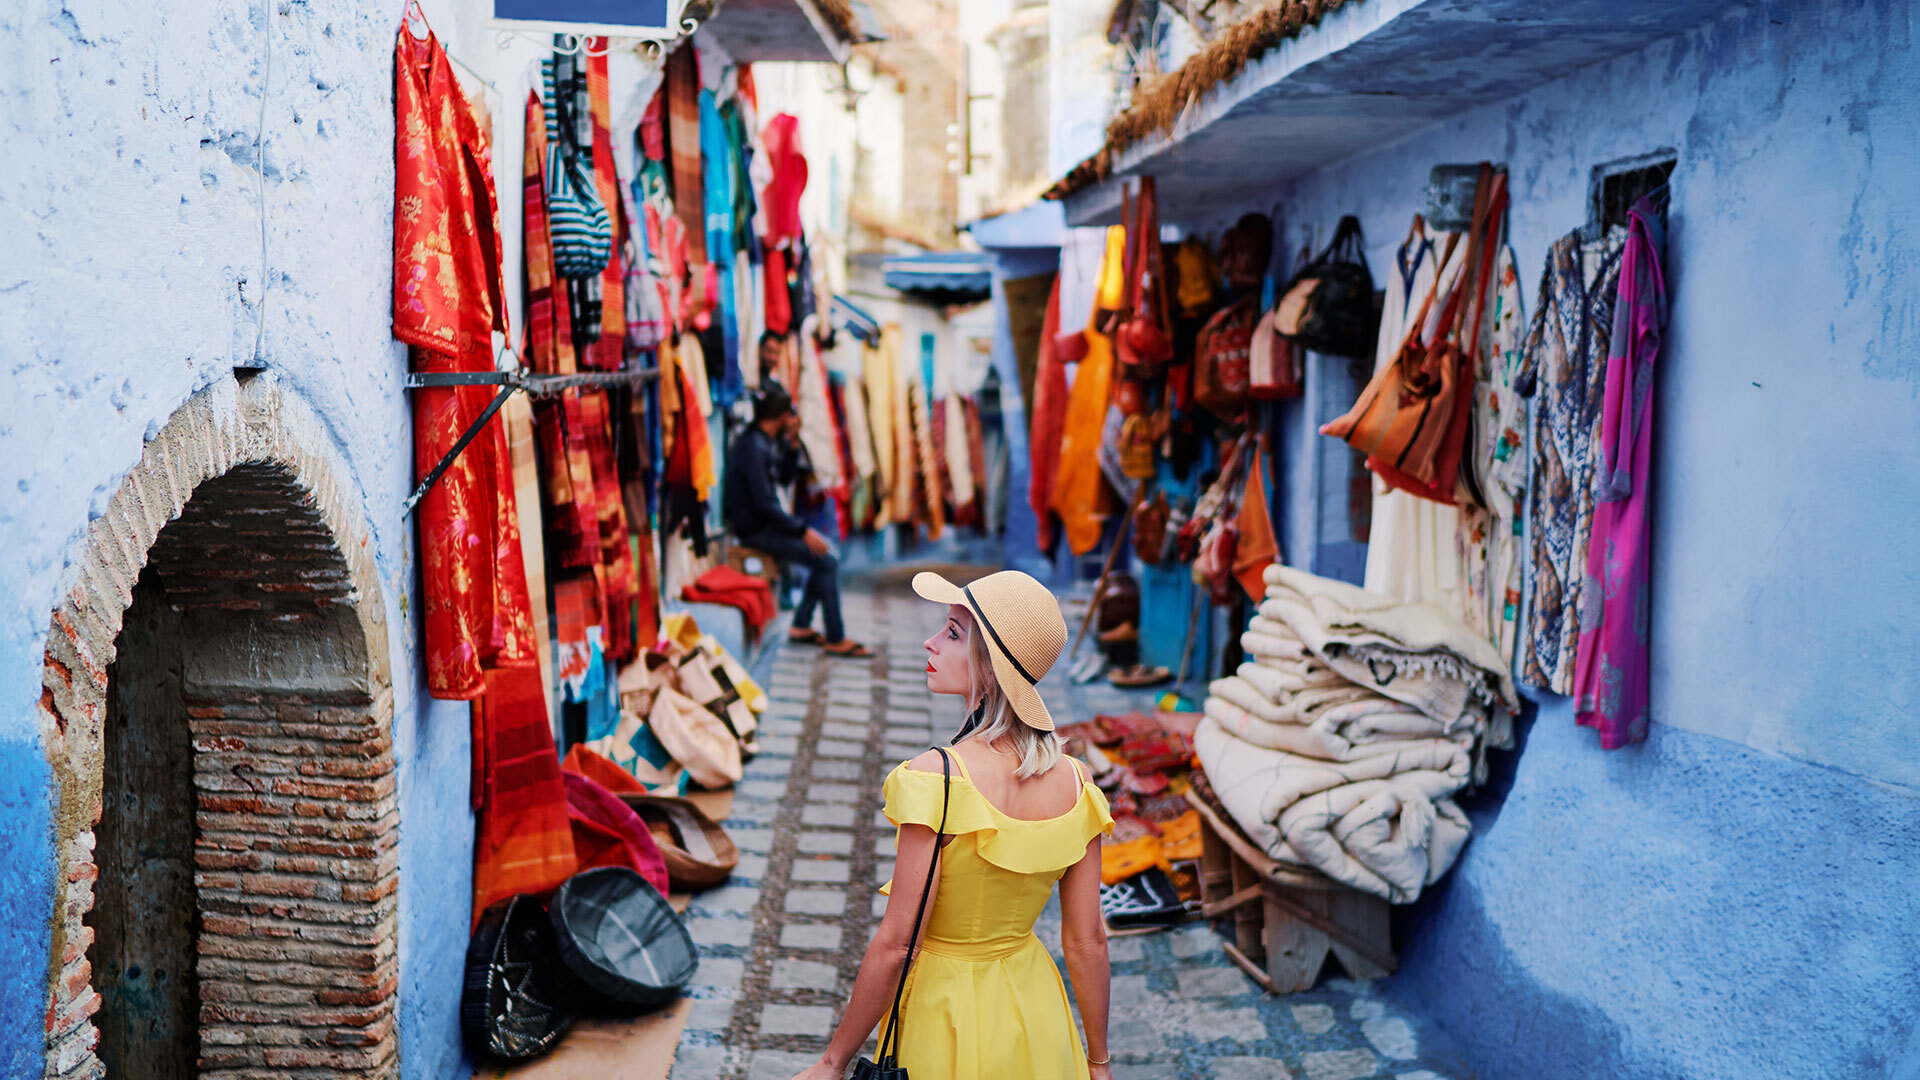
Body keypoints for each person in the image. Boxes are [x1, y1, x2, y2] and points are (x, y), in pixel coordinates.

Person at [790, 570, 1114, 1080]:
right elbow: (1087, 940)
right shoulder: (1077, 782)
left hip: (946, 1015)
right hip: (1036, 1014)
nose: (931, 642)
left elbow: (900, 943)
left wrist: (833, 1063)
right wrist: (1097, 1062)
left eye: (954, 633)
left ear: (989, 665)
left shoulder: (934, 780)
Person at [722, 382, 871, 657]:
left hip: (766, 524)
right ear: (783, 416)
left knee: (825, 559)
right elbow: (765, 505)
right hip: (757, 530)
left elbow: (784, 477)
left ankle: (802, 625)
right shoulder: (753, 447)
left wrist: (792, 443)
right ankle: (833, 636)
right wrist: (802, 531)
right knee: (827, 560)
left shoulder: (761, 442)